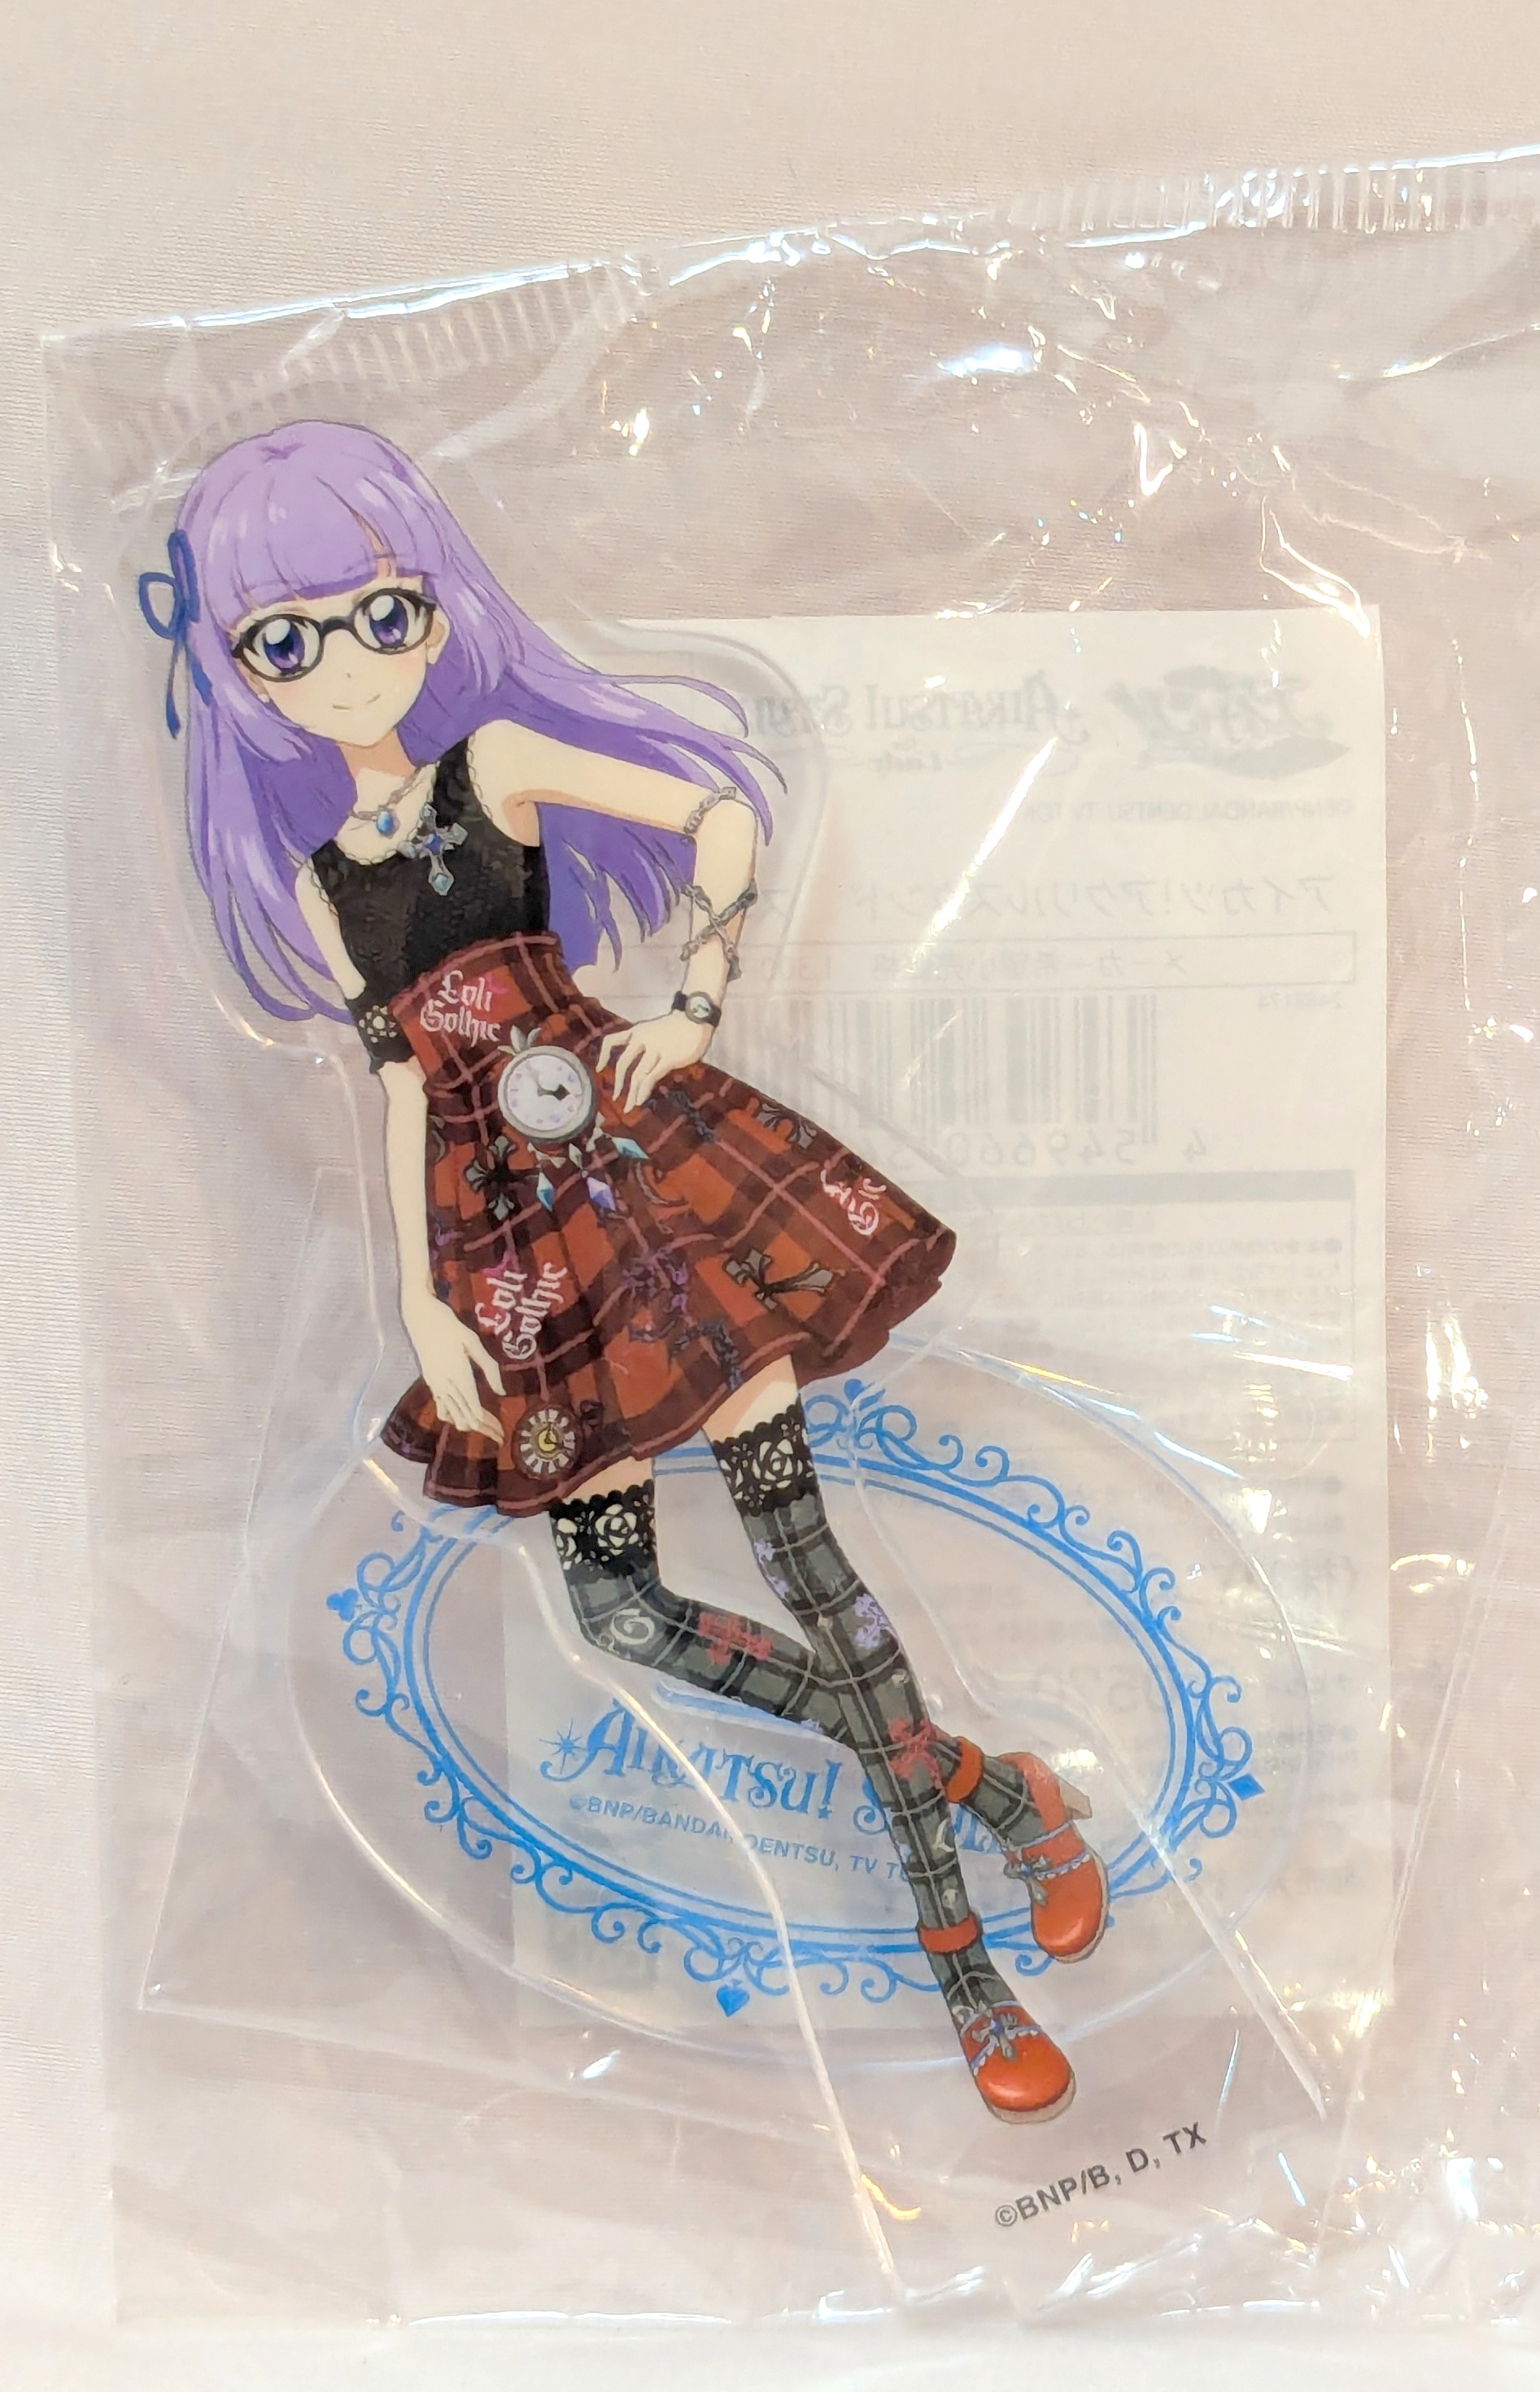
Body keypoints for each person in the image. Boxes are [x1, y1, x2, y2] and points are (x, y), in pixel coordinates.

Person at [139, 418, 1106, 2124]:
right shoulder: (320, 882)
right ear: (241, 675)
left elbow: (720, 816)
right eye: (282, 642)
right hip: (510, 1263)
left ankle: (965, 1971)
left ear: (433, 612)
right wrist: (422, 1300)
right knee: (616, 1608)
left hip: (643, 1190)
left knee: (807, 1562)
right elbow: (397, 1089)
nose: (342, 664)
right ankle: (989, 1787)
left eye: (377, 614)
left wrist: (697, 1006)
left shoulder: (496, 761)